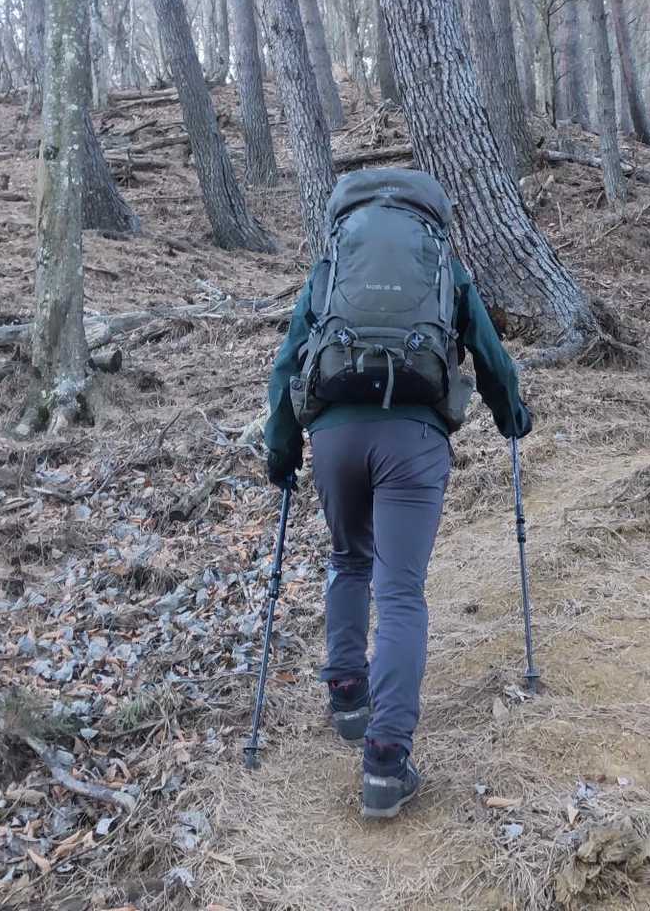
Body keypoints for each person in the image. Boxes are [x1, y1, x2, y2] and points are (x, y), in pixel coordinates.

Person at [264, 168, 532, 819]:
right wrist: (511, 415)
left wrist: (281, 449)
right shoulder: (441, 265)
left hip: (335, 437)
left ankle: (347, 693)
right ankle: (385, 760)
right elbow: (489, 354)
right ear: (430, 217)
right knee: (401, 592)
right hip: (413, 439)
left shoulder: (333, 267)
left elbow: (291, 357)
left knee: (348, 559)